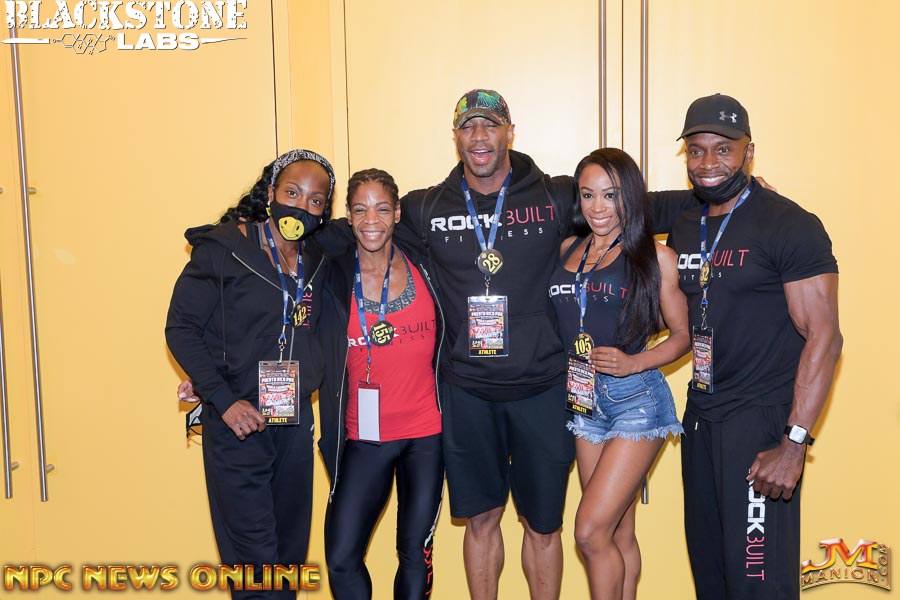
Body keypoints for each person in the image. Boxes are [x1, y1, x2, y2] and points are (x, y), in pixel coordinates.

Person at [388, 89, 699, 600]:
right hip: (467, 391)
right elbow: (364, 223)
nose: (479, 136)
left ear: (510, 132)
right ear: (455, 136)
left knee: (546, 524)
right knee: (482, 519)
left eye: (491, 125)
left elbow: (637, 202)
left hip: (546, 390)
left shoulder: (554, 196)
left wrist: (720, 194)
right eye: (468, 126)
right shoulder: (426, 207)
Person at [666, 94, 842, 599]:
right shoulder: (686, 222)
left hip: (760, 425)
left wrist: (794, 443)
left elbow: (825, 337)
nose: (708, 163)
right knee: (713, 580)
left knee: (758, 583)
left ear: (749, 152)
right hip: (701, 419)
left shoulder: (789, 224)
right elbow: (615, 199)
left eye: (723, 149)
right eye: (696, 150)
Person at [165, 149, 336, 599]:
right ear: (271, 192)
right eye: (292, 193)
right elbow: (181, 328)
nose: (301, 206)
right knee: (254, 563)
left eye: (315, 200)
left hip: (294, 423)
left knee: (289, 559)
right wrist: (220, 397)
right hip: (238, 425)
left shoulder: (319, 257)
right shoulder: (226, 248)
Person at [549, 148, 689, 600]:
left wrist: (635, 362)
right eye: (588, 194)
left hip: (636, 400)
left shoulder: (656, 257)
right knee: (617, 532)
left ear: (629, 196)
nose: (598, 207)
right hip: (584, 399)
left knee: (589, 532)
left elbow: (683, 336)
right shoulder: (568, 249)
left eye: (610, 195)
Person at [316, 169, 444, 600]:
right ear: (348, 217)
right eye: (361, 209)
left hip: (426, 434)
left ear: (398, 213)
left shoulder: (425, 262)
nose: (372, 220)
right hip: (363, 435)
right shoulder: (332, 273)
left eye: (382, 208)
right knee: (341, 558)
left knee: (414, 553)